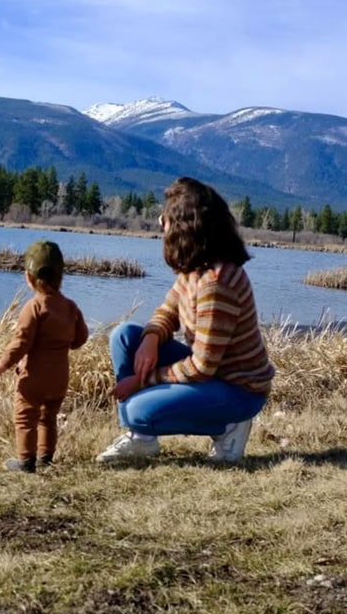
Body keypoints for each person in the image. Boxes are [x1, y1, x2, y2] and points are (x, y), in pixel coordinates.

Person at [96, 176, 275, 465]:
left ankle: (229, 426)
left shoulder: (217, 284)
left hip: (238, 390)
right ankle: (141, 439)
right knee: (126, 336)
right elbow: (167, 309)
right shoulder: (194, 269)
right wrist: (152, 338)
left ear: (183, 227)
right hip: (212, 376)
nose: (160, 223)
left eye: (164, 219)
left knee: (137, 411)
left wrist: (141, 382)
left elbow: (202, 366)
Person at [0, 239, 89, 473]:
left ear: (28, 278)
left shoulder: (33, 308)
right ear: (61, 276)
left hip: (34, 376)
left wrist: (1, 365)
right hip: (60, 377)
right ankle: (45, 457)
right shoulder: (71, 307)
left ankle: (25, 461)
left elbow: (21, 343)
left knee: (25, 417)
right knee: (48, 417)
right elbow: (80, 339)